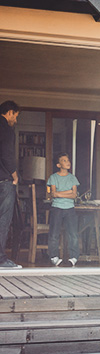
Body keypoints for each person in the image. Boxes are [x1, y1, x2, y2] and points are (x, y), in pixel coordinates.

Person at [47, 153, 80, 267]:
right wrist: (68, 192)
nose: (68, 162)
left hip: (70, 208)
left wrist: (59, 193)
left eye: (68, 160)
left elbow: (74, 195)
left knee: (73, 234)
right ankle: (54, 256)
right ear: (58, 164)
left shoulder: (72, 178)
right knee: (54, 233)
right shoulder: (53, 177)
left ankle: (74, 257)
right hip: (57, 208)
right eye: (64, 160)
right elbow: (52, 194)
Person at [0, 100, 21, 269]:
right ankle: (0, 259)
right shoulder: (6, 129)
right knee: (3, 220)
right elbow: (6, 154)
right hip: (4, 181)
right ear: (10, 112)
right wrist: (14, 175)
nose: (15, 120)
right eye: (16, 116)